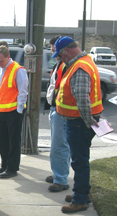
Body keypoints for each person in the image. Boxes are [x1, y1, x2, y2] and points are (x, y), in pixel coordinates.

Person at [53, 36, 103, 213]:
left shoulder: (79, 67)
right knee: (81, 159)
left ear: (67, 51)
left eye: (59, 55)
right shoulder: (84, 61)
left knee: (79, 162)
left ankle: (80, 200)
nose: (59, 59)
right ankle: (83, 192)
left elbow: (82, 99)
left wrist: (89, 122)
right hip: (81, 121)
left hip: (79, 122)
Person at [0, 46, 28, 179]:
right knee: (1, 140)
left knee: (13, 141)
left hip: (14, 111)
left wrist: (19, 110)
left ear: (8, 56)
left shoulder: (18, 70)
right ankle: (5, 165)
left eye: (2, 61)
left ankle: (12, 168)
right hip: (1, 110)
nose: (0, 63)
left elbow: (23, 92)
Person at [44, 36, 71, 192]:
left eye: (56, 51)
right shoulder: (60, 64)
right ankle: (58, 174)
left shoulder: (67, 65)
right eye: (52, 50)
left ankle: (61, 179)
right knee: (59, 146)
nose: (54, 54)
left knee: (59, 146)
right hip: (56, 109)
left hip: (61, 110)